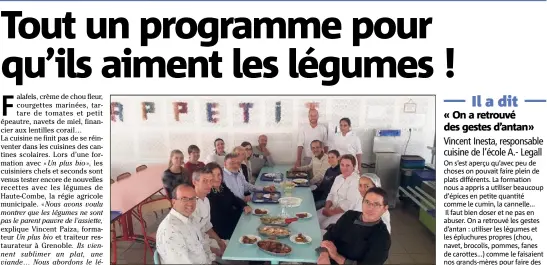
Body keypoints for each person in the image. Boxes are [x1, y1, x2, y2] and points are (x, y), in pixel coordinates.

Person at [318, 187, 391, 265]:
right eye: (367, 202)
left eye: (376, 204)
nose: (370, 208)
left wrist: (336, 256)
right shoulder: (349, 215)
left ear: (385, 209)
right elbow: (330, 235)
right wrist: (324, 255)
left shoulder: (382, 237)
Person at [156, 183, 216, 264]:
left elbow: (201, 243)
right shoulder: (170, 230)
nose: (190, 203)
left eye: (193, 198)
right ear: (173, 202)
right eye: (184, 199)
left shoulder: (190, 218)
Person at [206, 162, 252, 240]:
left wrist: (244, 205)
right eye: (213, 175)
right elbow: (217, 219)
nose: (217, 178)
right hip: (223, 231)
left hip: (233, 222)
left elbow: (234, 198)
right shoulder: (208, 193)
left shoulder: (222, 186)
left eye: (219, 174)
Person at [316, 154, 362, 229]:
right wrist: (326, 208)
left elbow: (349, 203)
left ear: (353, 167)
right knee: (314, 220)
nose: (344, 168)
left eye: (348, 165)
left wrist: (331, 212)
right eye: (342, 165)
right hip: (331, 207)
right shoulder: (338, 178)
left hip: (344, 213)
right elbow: (331, 194)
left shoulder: (356, 180)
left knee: (323, 226)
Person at [190, 169, 225, 257]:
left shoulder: (206, 200)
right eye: (205, 181)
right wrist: (213, 250)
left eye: (211, 181)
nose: (209, 185)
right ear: (195, 182)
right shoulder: (190, 206)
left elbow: (207, 226)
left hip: (205, 239)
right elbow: (192, 240)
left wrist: (220, 241)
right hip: (195, 247)